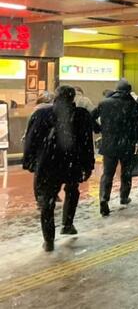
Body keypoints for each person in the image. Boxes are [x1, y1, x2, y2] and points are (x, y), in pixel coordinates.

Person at [23, 86, 95, 252]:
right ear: (72, 98)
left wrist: (29, 161)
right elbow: (87, 144)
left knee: (47, 201)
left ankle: (49, 240)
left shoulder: (42, 115)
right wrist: (88, 165)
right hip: (72, 162)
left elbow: (31, 140)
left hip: (49, 163)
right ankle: (67, 224)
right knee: (72, 190)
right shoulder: (81, 115)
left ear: (56, 97)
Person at [93, 80, 138, 217]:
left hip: (109, 144)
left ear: (116, 90)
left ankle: (104, 198)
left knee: (107, 174)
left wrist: (100, 129)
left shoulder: (105, 103)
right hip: (127, 144)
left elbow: (90, 117)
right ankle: (124, 196)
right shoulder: (133, 105)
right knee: (126, 172)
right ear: (128, 91)